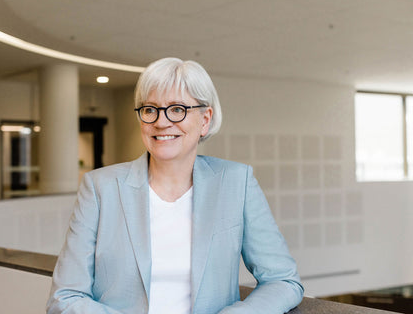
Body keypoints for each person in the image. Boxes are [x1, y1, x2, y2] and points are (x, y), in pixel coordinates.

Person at [47, 57, 304, 314]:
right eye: (150, 109)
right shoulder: (100, 188)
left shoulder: (237, 182)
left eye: (178, 109)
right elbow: (65, 298)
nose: (161, 122)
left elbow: (283, 280)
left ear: (205, 120)